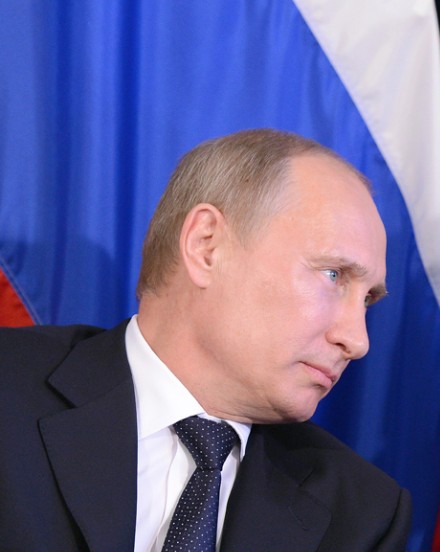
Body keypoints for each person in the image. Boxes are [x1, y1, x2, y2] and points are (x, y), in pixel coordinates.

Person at [0, 129, 411, 550]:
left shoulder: (363, 516)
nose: (357, 341)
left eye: (368, 300)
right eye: (332, 275)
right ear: (206, 246)